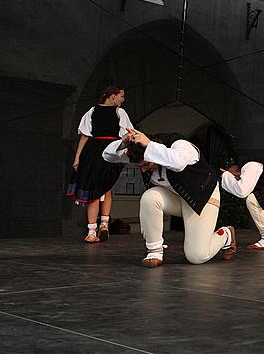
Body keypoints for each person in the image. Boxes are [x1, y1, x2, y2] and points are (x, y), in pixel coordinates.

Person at [103, 129, 236, 267]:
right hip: (177, 198)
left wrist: (149, 145)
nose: (144, 170)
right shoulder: (141, 155)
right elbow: (107, 156)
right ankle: (154, 252)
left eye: (146, 165)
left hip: (202, 197)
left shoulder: (180, 145)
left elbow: (178, 163)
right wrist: (123, 143)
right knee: (150, 197)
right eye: (140, 167)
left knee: (197, 256)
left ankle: (225, 235)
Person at [67, 85, 132, 243]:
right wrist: (77, 158)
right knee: (102, 187)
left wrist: (78, 157)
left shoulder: (100, 111)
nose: (123, 100)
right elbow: (85, 136)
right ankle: (101, 226)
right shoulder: (111, 112)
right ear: (112, 96)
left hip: (99, 150)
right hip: (105, 150)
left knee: (99, 188)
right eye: (121, 96)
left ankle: (94, 229)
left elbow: (85, 136)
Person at [221, 160, 264, 250]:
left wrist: (227, 176)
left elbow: (242, 191)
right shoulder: (252, 169)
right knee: (254, 199)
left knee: (253, 200)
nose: (235, 178)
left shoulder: (251, 166)